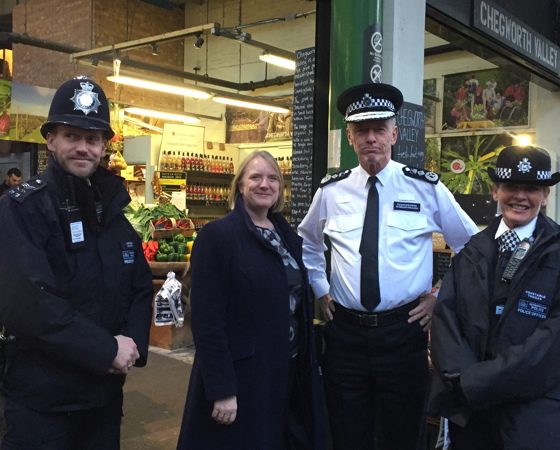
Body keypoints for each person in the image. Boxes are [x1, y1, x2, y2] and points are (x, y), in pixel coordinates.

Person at [298, 83, 479, 450]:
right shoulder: (331, 192)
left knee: (402, 435)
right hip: (344, 334)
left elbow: (471, 246)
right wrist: (320, 289)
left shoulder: (424, 188)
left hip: (403, 333)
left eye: (379, 129)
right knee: (347, 434)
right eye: (361, 131)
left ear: (394, 134)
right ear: (350, 137)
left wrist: (439, 298)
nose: (371, 139)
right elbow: (308, 245)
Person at [0, 76, 153, 449]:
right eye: (71, 136)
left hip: (101, 400)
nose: (82, 147)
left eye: (92, 138)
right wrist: (105, 350)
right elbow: (28, 303)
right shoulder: (21, 209)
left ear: (104, 147)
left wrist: (130, 346)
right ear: (50, 140)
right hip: (42, 403)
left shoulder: (113, 211)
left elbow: (139, 284)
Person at [428, 145, 560, 449]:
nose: (520, 196)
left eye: (531, 188)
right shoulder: (471, 251)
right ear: (495, 190)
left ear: (545, 195)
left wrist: (479, 382)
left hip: (540, 421)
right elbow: (446, 322)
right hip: (473, 418)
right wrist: (463, 381)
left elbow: (558, 345)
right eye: (511, 186)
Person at [177, 151, 325, 450]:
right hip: (244, 377)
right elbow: (207, 320)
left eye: (272, 178)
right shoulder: (218, 236)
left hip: (287, 373)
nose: (264, 184)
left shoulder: (290, 239)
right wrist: (221, 389)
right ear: (240, 185)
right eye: (255, 177)